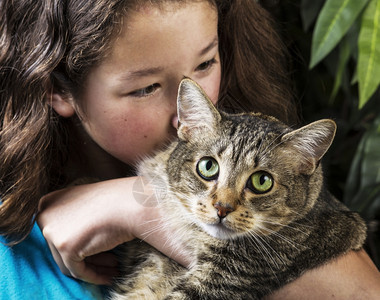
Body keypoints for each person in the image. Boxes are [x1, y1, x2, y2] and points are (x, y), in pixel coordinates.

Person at [0, 0, 379, 299]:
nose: (185, 120)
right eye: (146, 87)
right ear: (57, 89)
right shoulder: (11, 262)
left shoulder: (262, 159)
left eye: (205, 63)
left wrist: (134, 204)